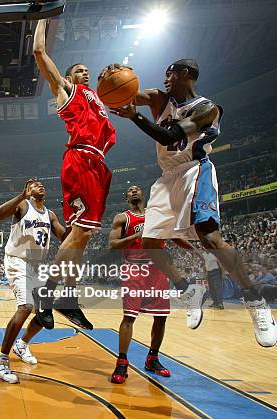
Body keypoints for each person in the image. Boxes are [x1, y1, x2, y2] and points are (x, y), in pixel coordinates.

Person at [110, 59, 276, 347]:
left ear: (186, 74)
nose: (165, 77)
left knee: (209, 237)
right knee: (150, 243)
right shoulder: (158, 98)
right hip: (166, 177)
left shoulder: (207, 108)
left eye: (170, 72)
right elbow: (123, 93)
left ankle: (255, 299)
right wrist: (107, 82)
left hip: (194, 170)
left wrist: (135, 117)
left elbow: (171, 135)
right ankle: (187, 289)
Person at [32, 19, 117, 330]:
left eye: (86, 71)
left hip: (98, 165)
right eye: (79, 70)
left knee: (82, 236)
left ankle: (68, 298)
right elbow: (39, 52)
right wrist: (43, 18)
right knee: (79, 233)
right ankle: (47, 292)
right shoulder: (69, 90)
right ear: (68, 78)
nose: (85, 73)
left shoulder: (100, 102)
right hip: (80, 158)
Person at [0, 178, 67, 384]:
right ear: (28, 190)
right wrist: (21, 196)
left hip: (37, 265)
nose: (39, 185)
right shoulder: (24, 205)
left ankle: (22, 344)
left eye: (41, 183)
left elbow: (64, 237)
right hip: (17, 259)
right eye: (34, 184)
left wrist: (78, 223)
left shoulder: (50, 214)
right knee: (25, 307)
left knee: (45, 313)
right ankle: (0, 361)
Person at [108, 186, 171, 384]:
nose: (134, 191)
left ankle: (153, 358)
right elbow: (112, 245)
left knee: (161, 318)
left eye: (137, 189)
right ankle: (122, 363)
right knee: (129, 317)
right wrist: (137, 236)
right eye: (130, 190)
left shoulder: (156, 214)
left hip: (157, 269)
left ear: (143, 195)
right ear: (126, 197)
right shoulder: (122, 218)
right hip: (134, 269)